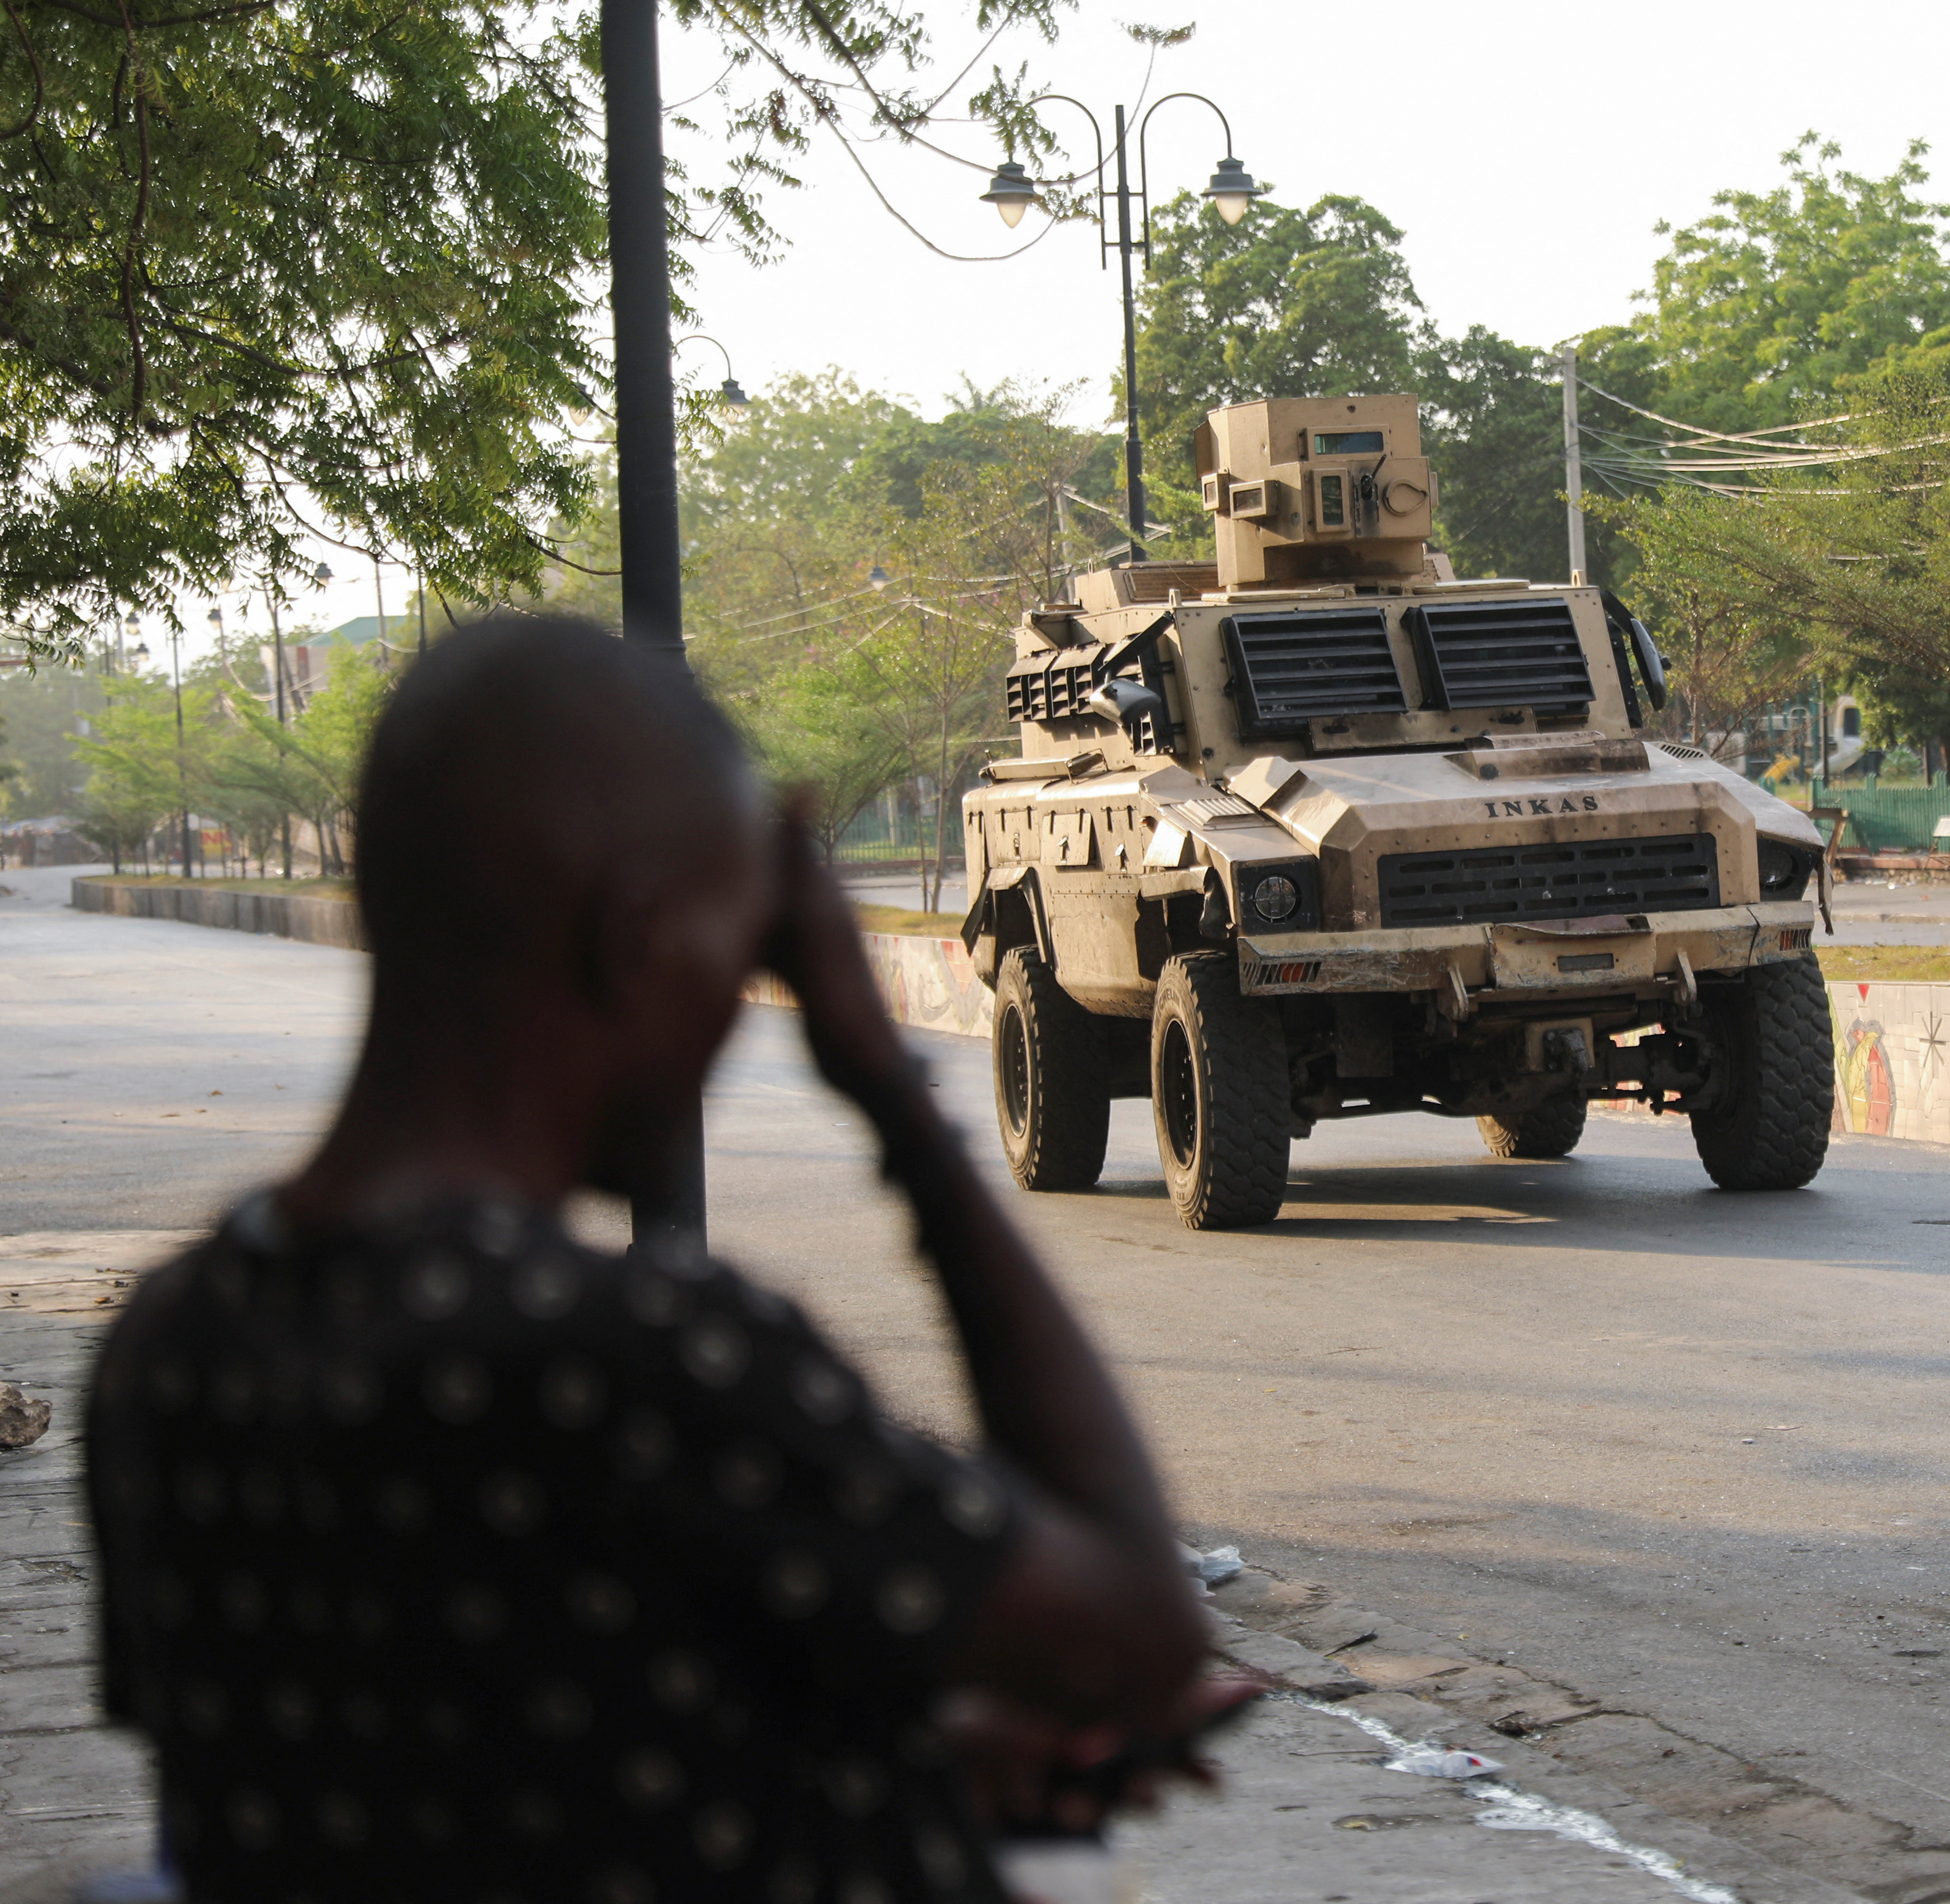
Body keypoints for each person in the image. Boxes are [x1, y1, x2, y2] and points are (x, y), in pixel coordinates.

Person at [85, 614, 1221, 1904]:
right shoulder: (646, 1358)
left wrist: (906, 1764)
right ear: (631, 940)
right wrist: (895, 1100)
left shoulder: (170, 1347)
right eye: (739, 955)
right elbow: (1132, 1634)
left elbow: (481, 1763)